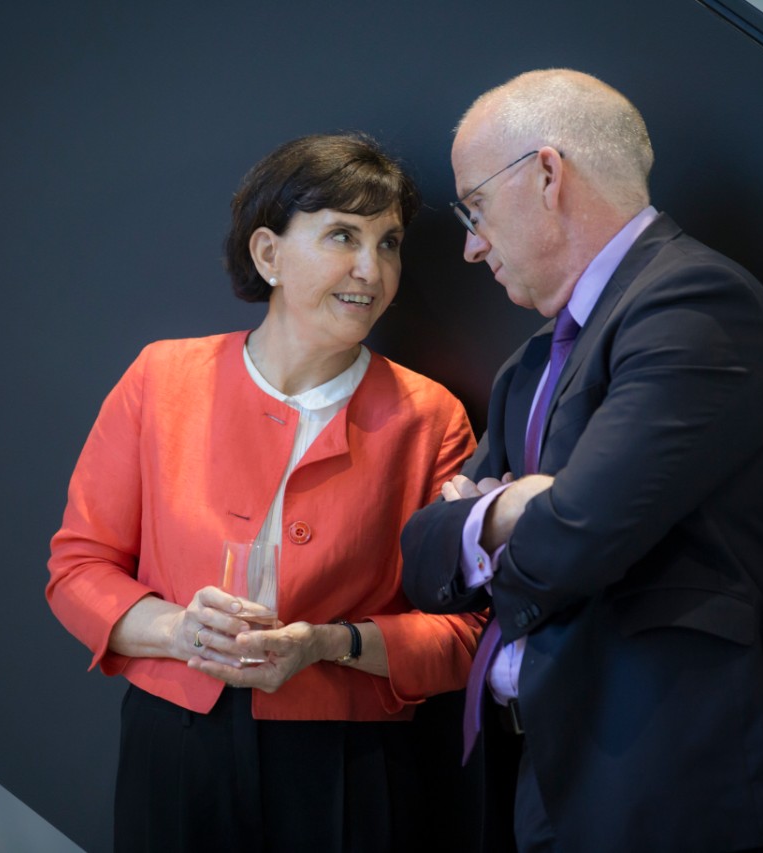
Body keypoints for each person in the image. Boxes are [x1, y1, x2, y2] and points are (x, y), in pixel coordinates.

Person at [400, 69, 763, 852]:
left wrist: (494, 519)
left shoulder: (695, 302)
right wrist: (509, 507)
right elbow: (422, 556)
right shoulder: (530, 360)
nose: (469, 244)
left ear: (549, 175)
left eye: (475, 205)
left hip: (667, 791)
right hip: (548, 775)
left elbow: (579, 533)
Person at [47, 132, 482, 853]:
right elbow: (77, 569)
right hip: (176, 745)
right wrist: (179, 630)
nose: (371, 269)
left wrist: (327, 644)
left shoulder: (432, 418)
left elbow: (466, 633)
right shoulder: (162, 378)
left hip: (347, 762)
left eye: (390, 242)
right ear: (268, 254)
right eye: (343, 235)